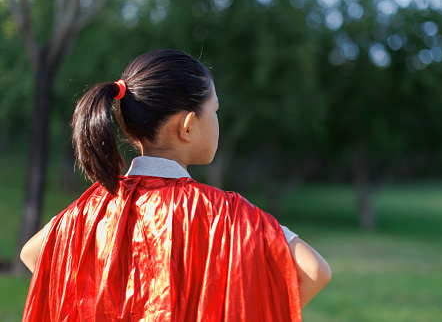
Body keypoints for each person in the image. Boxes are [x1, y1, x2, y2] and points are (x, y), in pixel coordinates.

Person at [20, 49, 331, 321]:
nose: (218, 120)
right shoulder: (225, 213)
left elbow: (32, 254)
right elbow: (314, 271)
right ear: (187, 127)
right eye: (215, 111)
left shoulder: (89, 210)